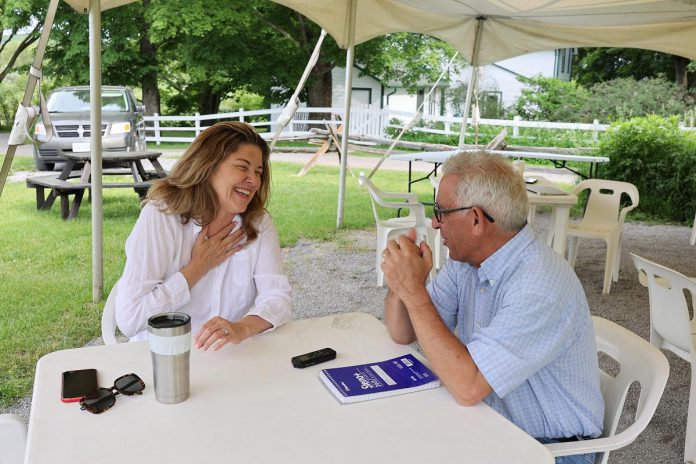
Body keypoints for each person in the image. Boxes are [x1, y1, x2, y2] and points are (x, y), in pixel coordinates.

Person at [382, 151, 603, 464]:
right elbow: (402, 332)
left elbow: (468, 386)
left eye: (441, 211)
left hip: (551, 450)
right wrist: (401, 284)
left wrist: (413, 291)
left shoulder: (538, 285)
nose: (435, 222)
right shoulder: (468, 261)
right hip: (492, 425)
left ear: (475, 219)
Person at [114, 121, 292, 350]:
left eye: (258, 172)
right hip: (161, 358)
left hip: (229, 358)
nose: (254, 181)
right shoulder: (162, 216)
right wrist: (197, 267)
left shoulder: (258, 222)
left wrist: (242, 328)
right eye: (242, 167)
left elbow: (278, 296)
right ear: (208, 167)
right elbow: (130, 319)